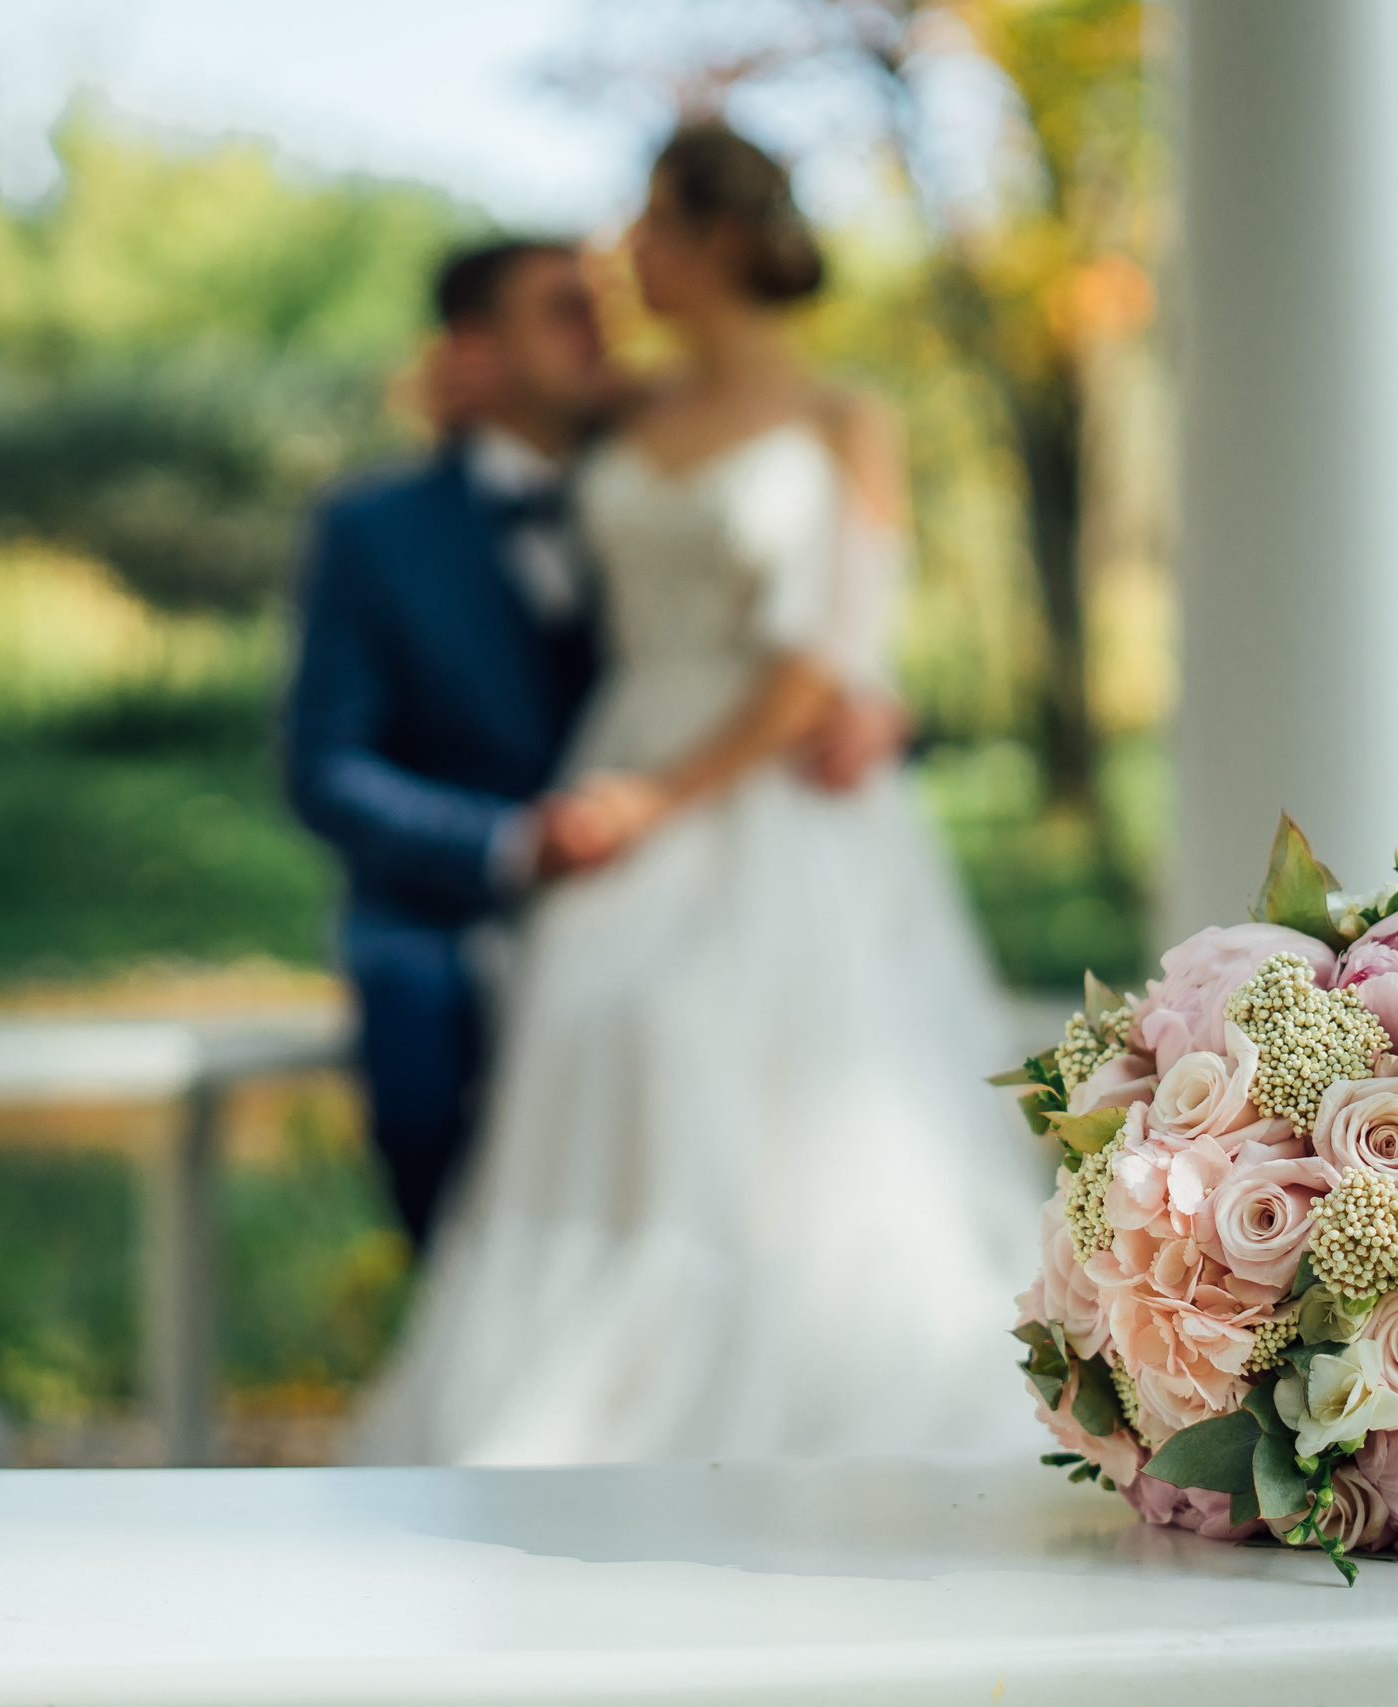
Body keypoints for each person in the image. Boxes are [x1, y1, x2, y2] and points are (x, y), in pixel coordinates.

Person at [347, 123, 1037, 1465]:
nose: (631, 255)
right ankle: (593, 1406)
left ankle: (783, 1403)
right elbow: (475, 421)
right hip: (619, 749)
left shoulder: (847, 417)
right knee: (601, 1063)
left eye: (652, 225)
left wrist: (686, 784)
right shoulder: (625, 408)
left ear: (718, 238)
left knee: (766, 1082)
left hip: (768, 795)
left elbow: (830, 650)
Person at [283, 237, 903, 1255]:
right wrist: (514, 844)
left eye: (604, 308)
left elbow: (785, 640)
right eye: (564, 310)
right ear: (475, 353)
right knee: (433, 1016)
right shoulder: (371, 528)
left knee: (721, 1029)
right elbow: (324, 770)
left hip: (683, 855)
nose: (602, 333)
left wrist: (878, 707)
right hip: (462, 902)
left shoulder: (652, 476)